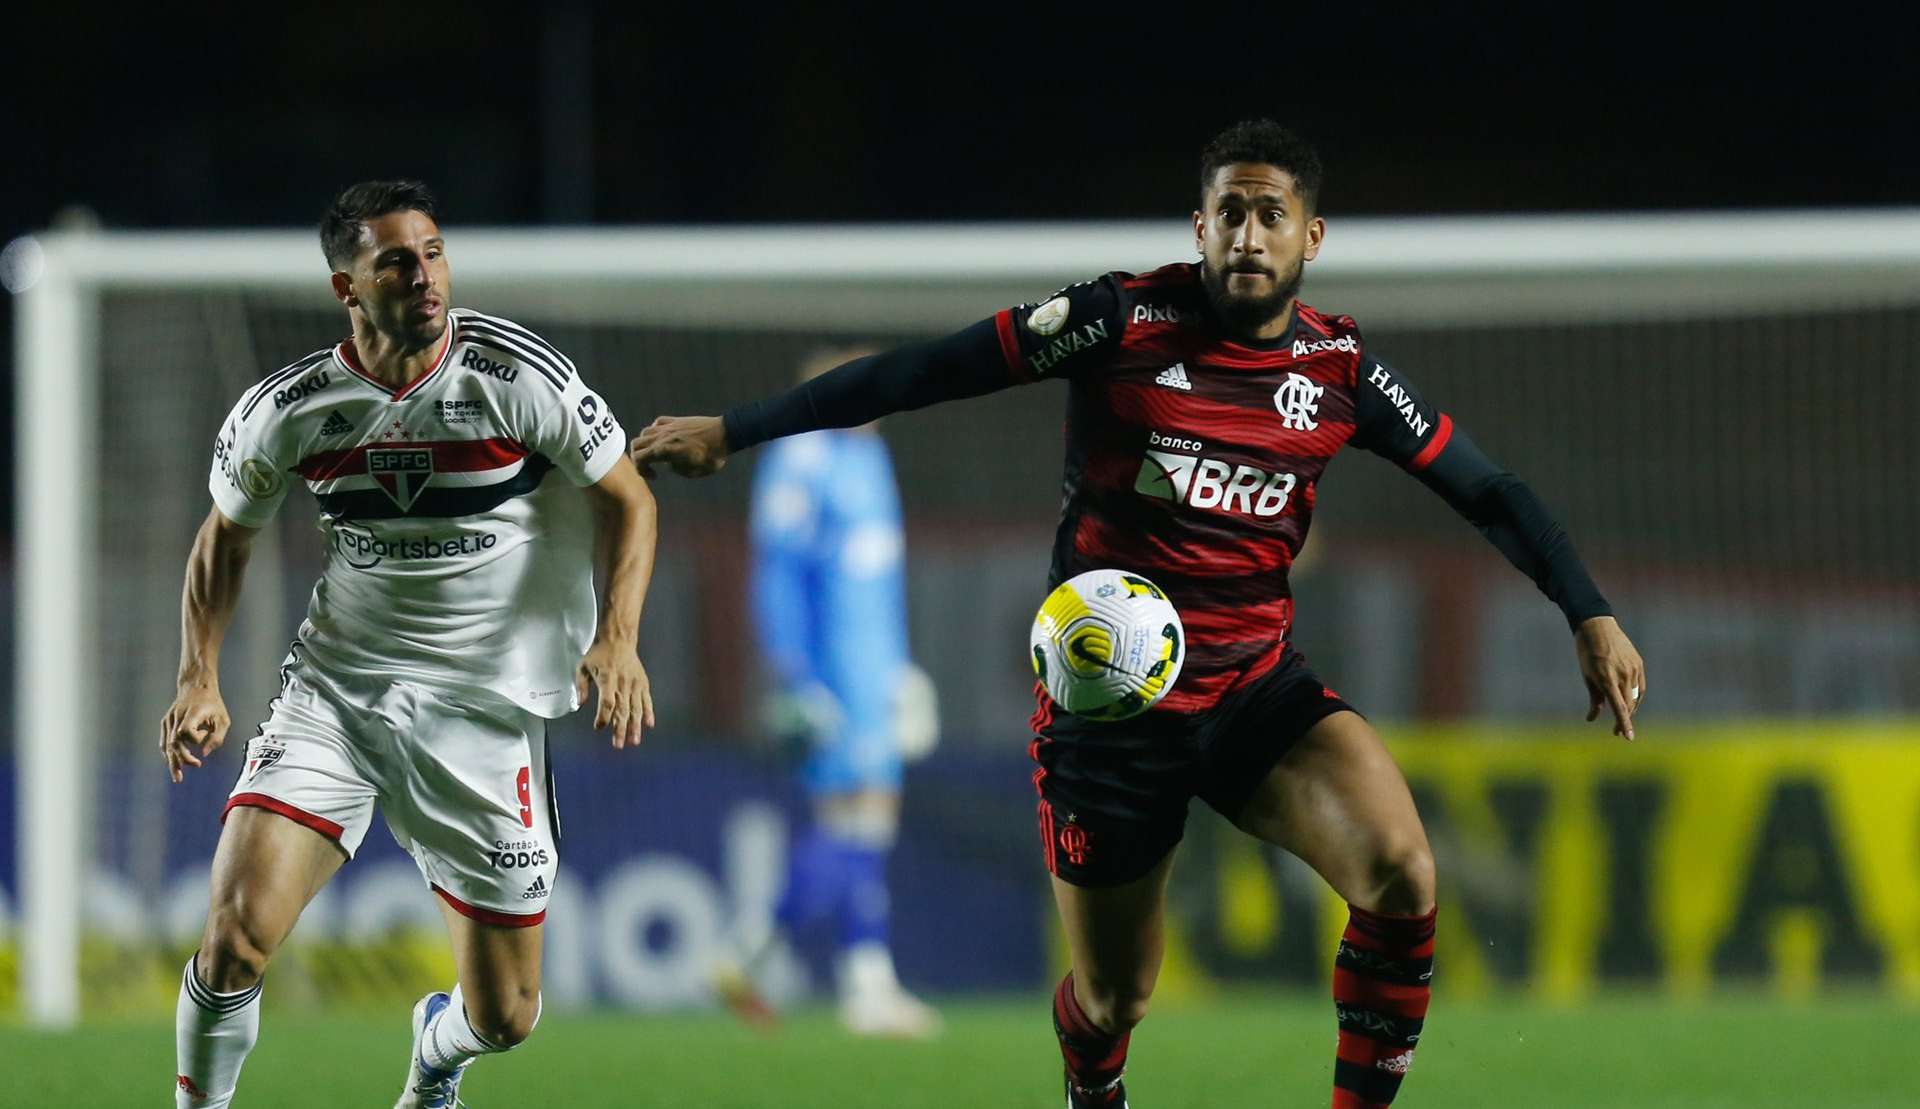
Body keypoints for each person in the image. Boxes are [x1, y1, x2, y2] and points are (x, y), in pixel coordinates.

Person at [630, 120, 1646, 1108]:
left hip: (1255, 690)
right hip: (1109, 716)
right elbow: (930, 370)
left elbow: (1491, 489)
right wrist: (738, 428)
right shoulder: (1119, 320)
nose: (1248, 234)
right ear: (1197, 226)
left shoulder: (1341, 371)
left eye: (1271, 215)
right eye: (1229, 213)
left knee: (1400, 868)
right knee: (1118, 995)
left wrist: (1588, 611)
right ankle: (1093, 1079)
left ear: (1312, 237)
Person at [161, 180, 658, 1109]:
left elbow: (628, 497)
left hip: (485, 710)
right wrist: (200, 676)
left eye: (433, 253)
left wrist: (619, 640)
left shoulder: (516, 376)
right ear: (347, 288)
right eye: (396, 261)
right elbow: (222, 537)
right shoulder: (292, 408)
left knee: (507, 1013)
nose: (425, 277)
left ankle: (437, 1050)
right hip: (337, 693)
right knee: (232, 936)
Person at [718, 346, 942, 1037]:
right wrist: (796, 677)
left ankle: (849, 978)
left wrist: (901, 668)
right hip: (833, 675)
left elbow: (876, 579)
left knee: (857, 827)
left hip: (875, 668)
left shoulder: (869, 457)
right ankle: (766, 955)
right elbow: (776, 576)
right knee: (861, 822)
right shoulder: (800, 461)